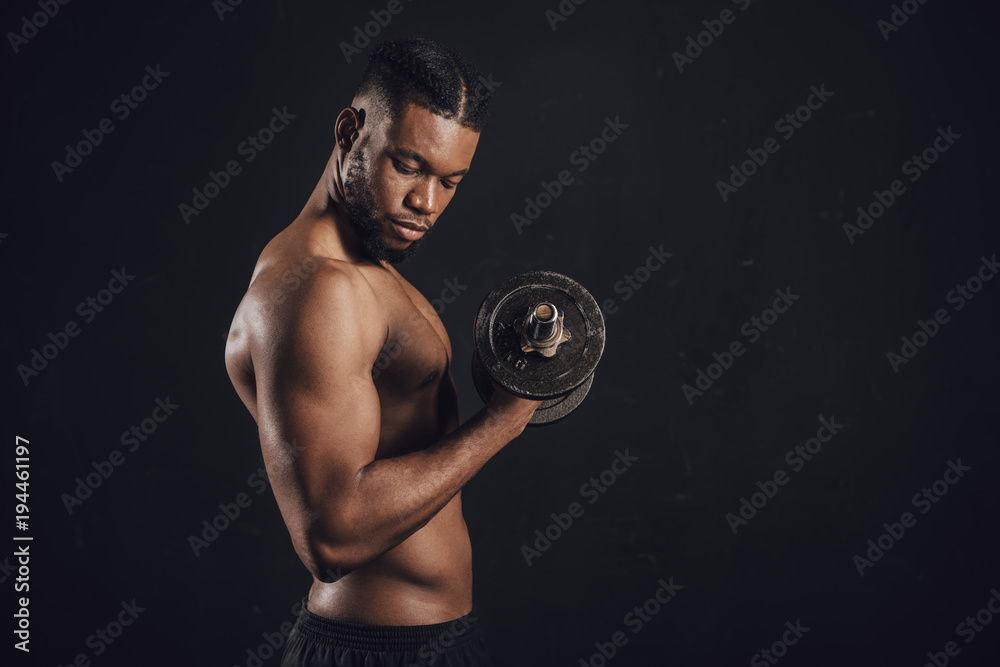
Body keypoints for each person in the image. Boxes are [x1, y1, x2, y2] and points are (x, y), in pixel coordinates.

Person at [224, 36, 540, 667]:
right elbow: (330, 538)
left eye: (451, 181)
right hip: (378, 650)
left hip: (428, 642)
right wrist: (504, 420)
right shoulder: (318, 288)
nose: (427, 204)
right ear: (350, 131)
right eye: (409, 166)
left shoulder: (363, 266)